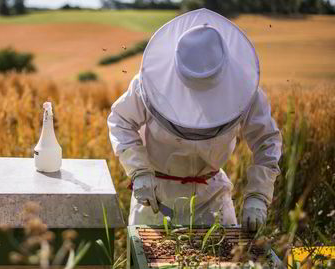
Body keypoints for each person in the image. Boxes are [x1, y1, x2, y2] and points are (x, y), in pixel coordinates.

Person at [107, 8, 282, 231]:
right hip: (156, 200)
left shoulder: (246, 91)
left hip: (212, 197)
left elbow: (267, 140)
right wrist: (139, 171)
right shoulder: (148, 83)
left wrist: (258, 194)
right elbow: (120, 120)